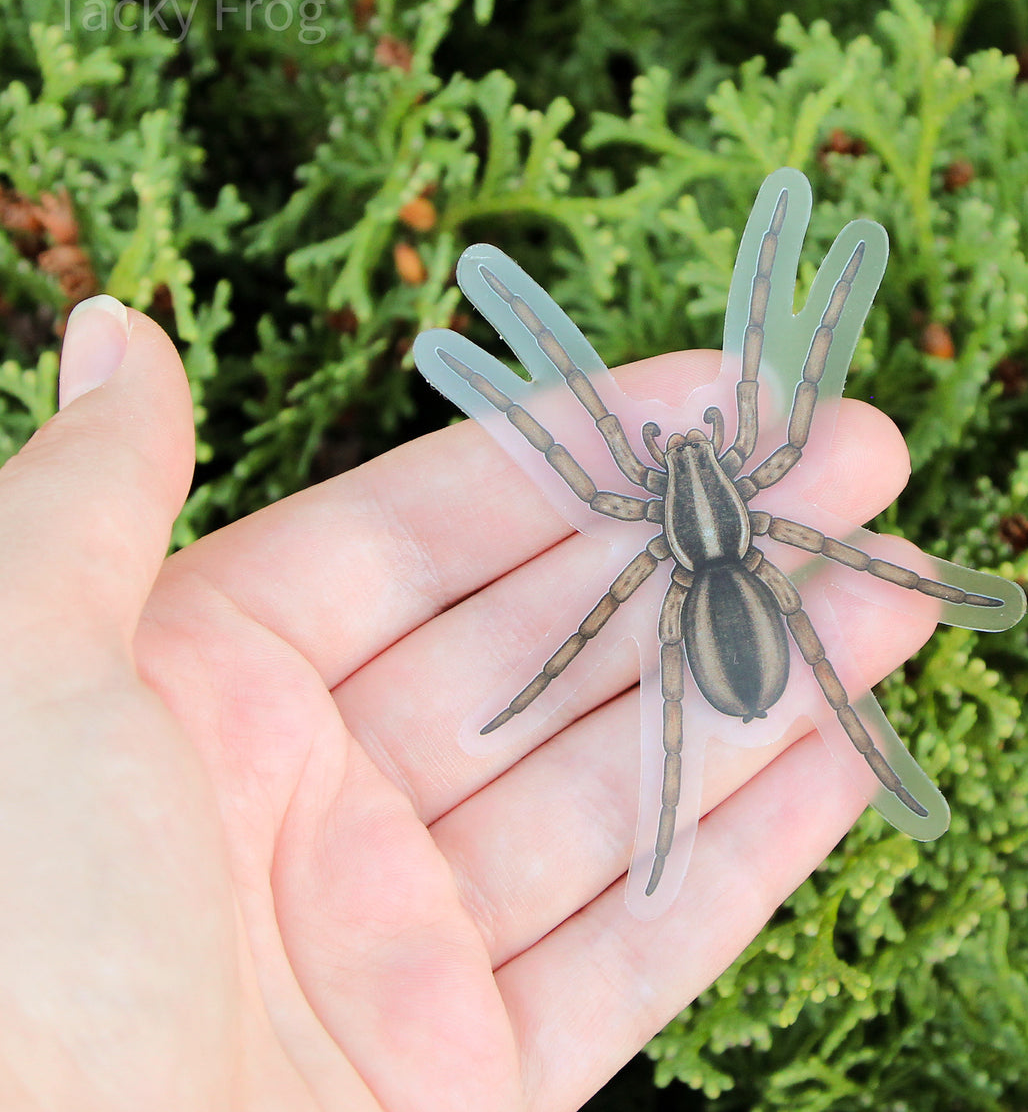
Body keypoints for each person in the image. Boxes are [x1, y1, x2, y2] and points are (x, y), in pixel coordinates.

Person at [0, 295, 936, 1110]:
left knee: (755, 663)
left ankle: (737, 787)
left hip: (714, 614)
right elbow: (618, 573)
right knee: (803, 635)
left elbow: (594, 548)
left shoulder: (655, 541)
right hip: (737, 610)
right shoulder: (740, 515)